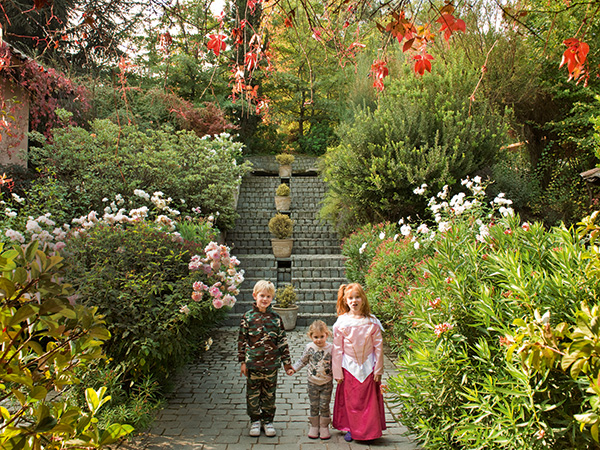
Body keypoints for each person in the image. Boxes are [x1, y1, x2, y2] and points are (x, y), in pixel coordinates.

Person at [238, 280, 294, 438]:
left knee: (269, 394)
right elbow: (242, 341)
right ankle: (255, 420)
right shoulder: (247, 318)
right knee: (253, 394)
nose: (265, 299)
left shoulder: (276, 319)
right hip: (253, 365)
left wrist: (287, 364)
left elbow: (282, 342)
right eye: (262, 295)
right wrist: (243, 362)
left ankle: (268, 421)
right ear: (255, 296)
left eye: (268, 296)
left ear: (272, 298)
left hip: (271, 365)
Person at [332, 282, 386, 442]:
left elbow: (378, 347)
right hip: (349, 366)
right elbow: (337, 349)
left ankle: (370, 431)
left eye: (357, 297)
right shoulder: (341, 322)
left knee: (368, 400)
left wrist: (378, 369)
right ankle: (351, 428)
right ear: (345, 301)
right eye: (350, 298)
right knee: (351, 400)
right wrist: (337, 371)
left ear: (363, 299)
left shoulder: (372, 322)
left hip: (368, 366)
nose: (354, 301)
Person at [291, 320, 334, 440]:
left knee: (324, 405)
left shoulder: (331, 348)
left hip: (327, 383)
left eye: (322, 336)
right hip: (312, 382)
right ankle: (314, 425)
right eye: (316, 337)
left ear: (327, 334)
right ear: (311, 336)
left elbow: (336, 363)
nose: (319, 340)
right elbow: (302, 361)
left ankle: (324, 426)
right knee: (314, 404)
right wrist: (293, 369)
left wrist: (339, 375)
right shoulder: (309, 348)